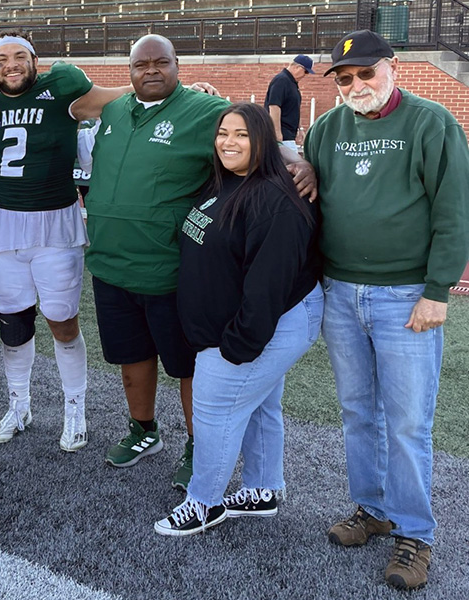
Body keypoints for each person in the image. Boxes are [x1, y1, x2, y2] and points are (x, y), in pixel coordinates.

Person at [78, 35, 316, 488]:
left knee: (187, 367)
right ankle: (143, 431)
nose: (150, 70)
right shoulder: (113, 111)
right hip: (111, 266)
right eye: (140, 64)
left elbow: (253, 131)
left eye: (160, 62)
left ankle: (196, 445)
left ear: (177, 64)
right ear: (129, 70)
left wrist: (300, 161)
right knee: (132, 357)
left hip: (169, 271)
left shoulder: (203, 110)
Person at [304, 30, 469, 590]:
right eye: (345, 78)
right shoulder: (327, 127)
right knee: (357, 412)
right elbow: (308, 189)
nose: (356, 85)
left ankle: (415, 535)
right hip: (342, 293)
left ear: (392, 67)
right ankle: (371, 510)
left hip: (406, 298)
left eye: (366, 73)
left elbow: (454, 210)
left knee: (407, 423)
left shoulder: (430, 121)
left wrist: (437, 291)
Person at [0, 31, 140, 452]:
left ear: (34, 61)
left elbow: (118, 98)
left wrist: (180, 89)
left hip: (55, 228)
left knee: (62, 322)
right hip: (3, 227)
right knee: (13, 324)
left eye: (19, 56)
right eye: (2, 57)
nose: (11, 63)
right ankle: (19, 405)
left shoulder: (61, 88)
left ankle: (74, 408)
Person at [153, 102, 322, 536]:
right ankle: (262, 490)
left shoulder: (275, 200)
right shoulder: (224, 181)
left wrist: (237, 347)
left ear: (263, 141)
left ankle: (203, 502)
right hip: (235, 323)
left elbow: (268, 285)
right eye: (223, 132)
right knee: (262, 404)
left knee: (215, 410)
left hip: (265, 325)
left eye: (243, 135)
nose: (229, 142)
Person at [263, 54, 313, 151]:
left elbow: (294, 108)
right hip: (283, 136)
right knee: (291, 164)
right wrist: (277, 134)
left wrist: (300, 129)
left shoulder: (292, 83)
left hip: (288, 136)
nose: (305, 75)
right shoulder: (281, 80)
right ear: (297, 67)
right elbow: (274, 107)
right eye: (305, 71)